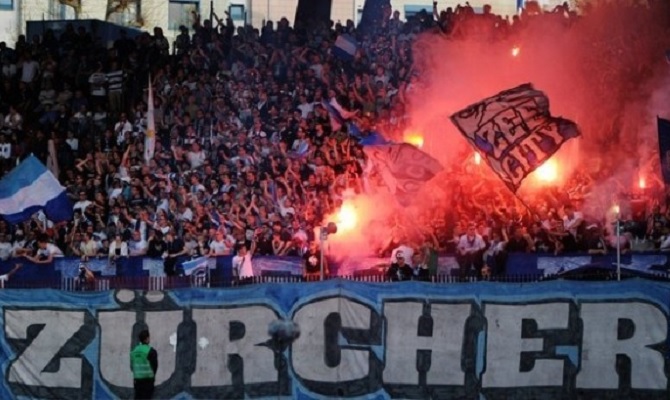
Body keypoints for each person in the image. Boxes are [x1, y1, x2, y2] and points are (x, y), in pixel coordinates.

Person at [130, 329, 158, 400]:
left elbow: (133, 364)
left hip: (137, 380)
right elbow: (155, 366)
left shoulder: (134, 351)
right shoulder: (151, 351)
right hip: (148, 380)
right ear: (147, 338)